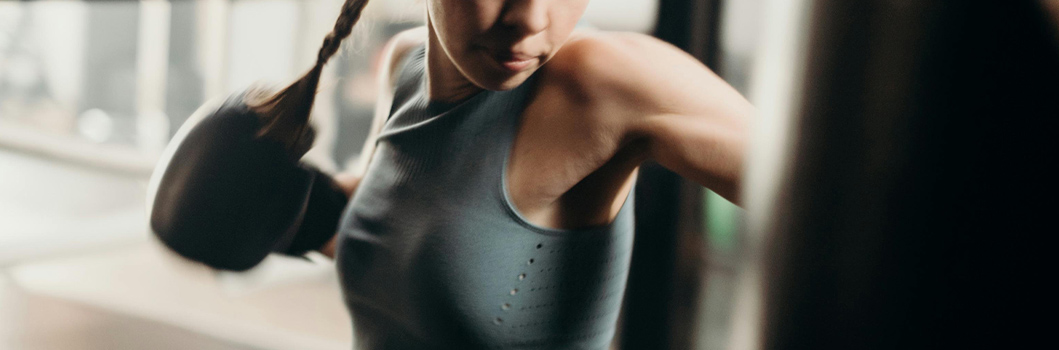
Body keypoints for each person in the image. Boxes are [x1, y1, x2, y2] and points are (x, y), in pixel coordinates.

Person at [149, 0, 748, 348]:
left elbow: (829, 204)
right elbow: (417, 231)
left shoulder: (599, 84)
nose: (530, 18)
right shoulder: (404, 67)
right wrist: (308, 216)